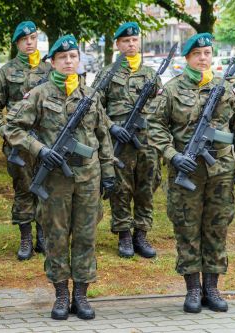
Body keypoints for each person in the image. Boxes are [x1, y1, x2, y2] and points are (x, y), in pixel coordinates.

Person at [4, 34, 115, 320]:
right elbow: (12, 128)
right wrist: (40, 150)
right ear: (52, 62)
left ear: (79, 60)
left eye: (73, 57)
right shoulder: (39, 94)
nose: (68, 61)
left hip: (88, 178)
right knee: (55, 237)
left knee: (86, 236)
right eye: (63, 57)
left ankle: (81, 294)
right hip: (55, 181)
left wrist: (109, 173)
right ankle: (61, 295)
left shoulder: (90, 96)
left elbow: (103, 137)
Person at [149, 33, 235, 313]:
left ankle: (212, 286)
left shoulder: (226, 90)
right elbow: (155, 128)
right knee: (187, 229)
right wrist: (173, 155)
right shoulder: (171, 91)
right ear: (187, 58)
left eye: (207, 53)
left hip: (220, 171)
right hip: (186, 173)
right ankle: (193, 289)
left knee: (216, 228)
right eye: (197, 54)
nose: (203, 58)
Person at [92, 22, 161, 259]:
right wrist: (111, 127)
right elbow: (93, 105)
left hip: (147, 142)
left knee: (146, 187)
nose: (131, 44)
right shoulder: (107, 73)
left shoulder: (151, 74)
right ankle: (123, 234)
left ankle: (141, 234)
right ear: (118, 45)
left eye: (134, 40)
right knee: (120, 188)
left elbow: (161, 106)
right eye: (126, 41)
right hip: (119, 143)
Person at [0, 21, 52, 260]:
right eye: (24, 39)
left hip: (46, 143)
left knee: (45, 188)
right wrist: (4, 130)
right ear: (17, 43)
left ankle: (42, 236)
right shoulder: (7, 71)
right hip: (19, 145)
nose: (29, 42)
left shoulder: (49, 70)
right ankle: (26, 238)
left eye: (33, 38)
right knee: (23, 189)